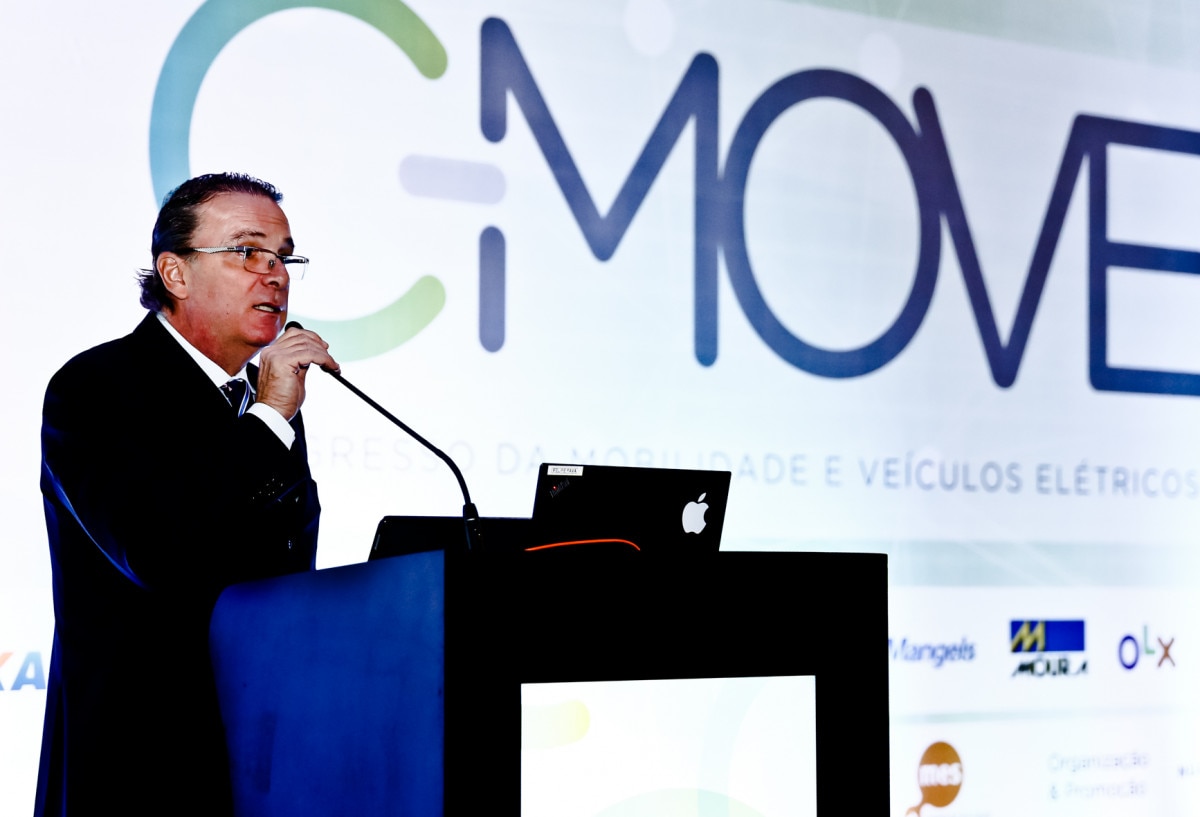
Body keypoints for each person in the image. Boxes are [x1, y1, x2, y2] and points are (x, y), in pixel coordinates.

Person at [35, 173, 339, 816]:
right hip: (139, 766)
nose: (275, 274)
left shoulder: (261, 403)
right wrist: (270, 418)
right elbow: (156, 551)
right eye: (248, 251)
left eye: (283, 257)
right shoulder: (98, 386)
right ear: (175, 273)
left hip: (263, 752)